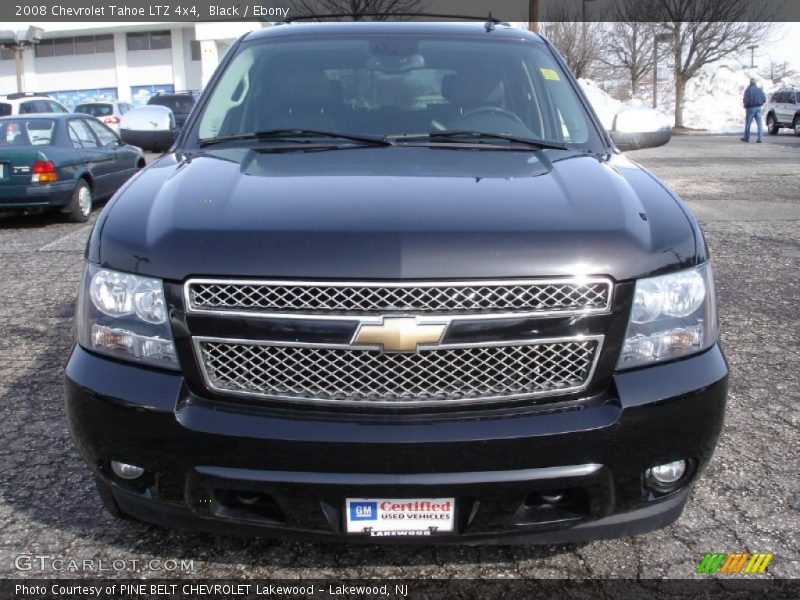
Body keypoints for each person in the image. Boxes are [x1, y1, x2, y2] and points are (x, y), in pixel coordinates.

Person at [741, 77, 767, 143]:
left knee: (748, 124)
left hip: (750, 108)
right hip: (758, 108)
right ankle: (760, 139)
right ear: (755, 83)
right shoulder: (759, 89)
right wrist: (760, 103)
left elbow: (745, 99)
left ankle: (746, 138)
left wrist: (746, 105)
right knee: (759, 124)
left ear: (750, 82)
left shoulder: (748, 90)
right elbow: (764, 99)